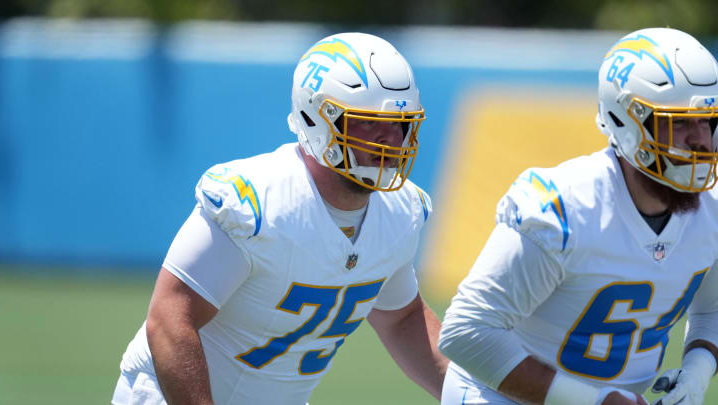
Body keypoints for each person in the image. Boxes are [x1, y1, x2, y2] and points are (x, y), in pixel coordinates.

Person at [112, 32, 448, 405]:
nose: (391, 141)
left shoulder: (400, 212)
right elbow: (169, 322)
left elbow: (402, 321)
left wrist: (472, 397)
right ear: (319, 119)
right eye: (370, 123)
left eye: (399, 123)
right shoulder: (256, 203)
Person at [438, 27, 718, 405]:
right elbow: (466, 331)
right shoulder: (565, 208)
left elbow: (712, 308)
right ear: (626, 123)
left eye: (707, 121)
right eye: (679, 123)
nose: (701, 140)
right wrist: (593, 401)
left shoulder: (712, 208)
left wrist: (697, 372)